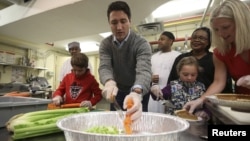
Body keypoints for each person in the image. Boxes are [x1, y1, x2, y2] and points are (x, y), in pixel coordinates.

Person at [184, 0, 250, 114]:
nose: (220, 34)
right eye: (216, 29)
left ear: (242, 22)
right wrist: (201, 100)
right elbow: (219, 82)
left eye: (225, 27)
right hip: (243, 106)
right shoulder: (221, 52)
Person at [98, 1, 152, 123]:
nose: (119, 27)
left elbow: (144, 70)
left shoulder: (141, 43)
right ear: (109, 24)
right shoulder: (105, 44)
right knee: (116, 122)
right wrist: (109, 82)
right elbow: (104, 67)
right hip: (118, 90)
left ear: (130, 21)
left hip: (138, 90)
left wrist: (136, 92)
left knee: (138, 123)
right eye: (114, 22)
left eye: (123, 21)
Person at [168, 27, 233, 93]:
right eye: (194, 37)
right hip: (184, 99)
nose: (196, 40)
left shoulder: (216, 59)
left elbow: (224, 84)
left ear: (208, 42)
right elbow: (172, 81)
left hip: (211, 99)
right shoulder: (181, 58)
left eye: (201, 38)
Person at [148, 31, 181, 113]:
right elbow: (147, 73)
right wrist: (150, 78)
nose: (159, 41)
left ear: (170, 41)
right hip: (154, 94)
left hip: (170, 93)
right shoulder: (153, 57)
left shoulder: (178, 56)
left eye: (162, 39)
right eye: (159, 39)